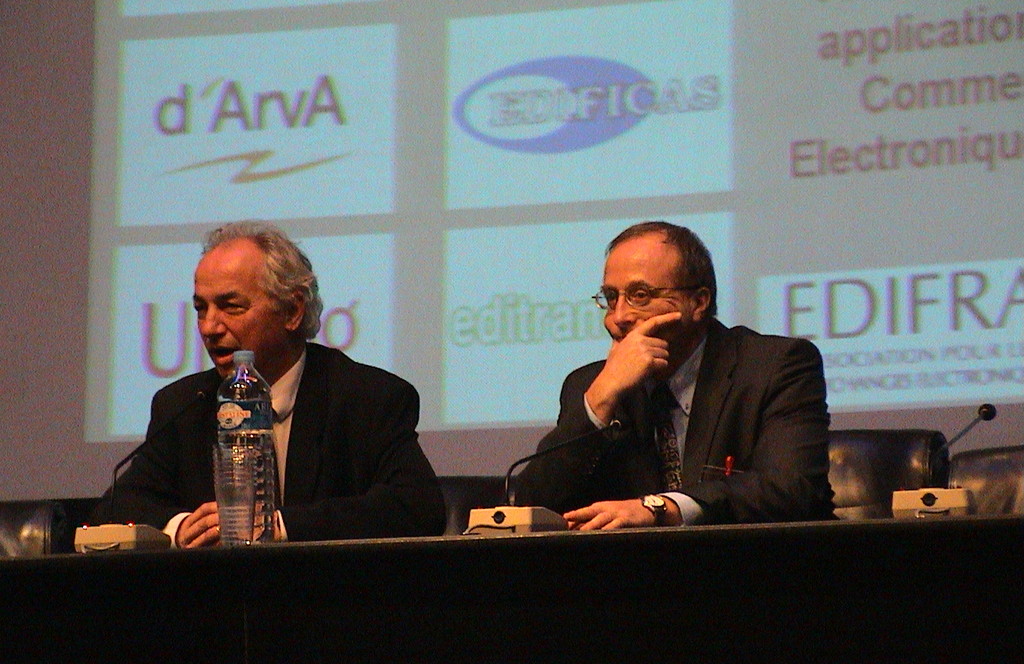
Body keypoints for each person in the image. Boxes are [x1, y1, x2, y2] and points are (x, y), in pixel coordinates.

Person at [92, 220, 445, 546]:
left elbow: (417, 507)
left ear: (292, 311)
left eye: (231, 307)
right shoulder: (184, 404)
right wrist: (180, 528)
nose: (209, 328)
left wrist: (279, 526)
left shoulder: (366, 397)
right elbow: (115, 508)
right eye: (201, 308)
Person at [514, 221, 834, 528]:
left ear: (698, 302)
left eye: (640, 296)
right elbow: (533, 507)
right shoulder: (589, 385)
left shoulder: (776, 366)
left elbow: (791, 488)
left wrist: (659, 508)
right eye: (611, 298)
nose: (619, 317)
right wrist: (600, 401)